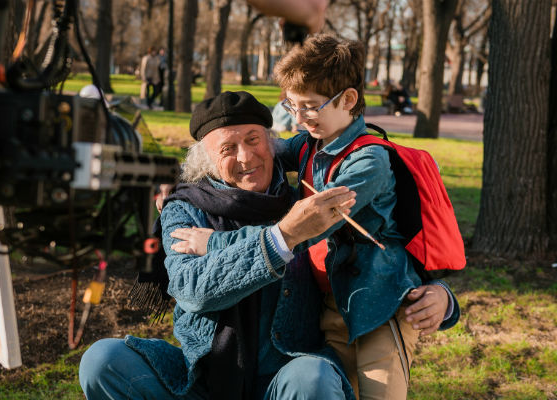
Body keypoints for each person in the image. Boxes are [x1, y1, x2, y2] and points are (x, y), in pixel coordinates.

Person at [180, 36, 460, 399]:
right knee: (334, 390)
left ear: (348, 100)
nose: (298, 118)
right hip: (333, 302)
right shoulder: (312, 142)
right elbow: (253, 154)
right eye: (291, 106)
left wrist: (215, 242)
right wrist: (183, 187)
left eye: (309, 107)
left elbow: (307, 228)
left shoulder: (368, 163)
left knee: (379, 394)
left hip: (383, 303)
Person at [79, 91, 360, 400]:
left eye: (253, 140)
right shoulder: (183, 207)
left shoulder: (304, 204)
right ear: (207, 161)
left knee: (314, 377)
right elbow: (192, 288)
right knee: (102, 360)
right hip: (202, 380)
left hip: (284, 378)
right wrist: (282, 238)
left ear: (273, 143)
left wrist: (424, 284)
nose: (245, 157)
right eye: (227, 148)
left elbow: (372, 243)